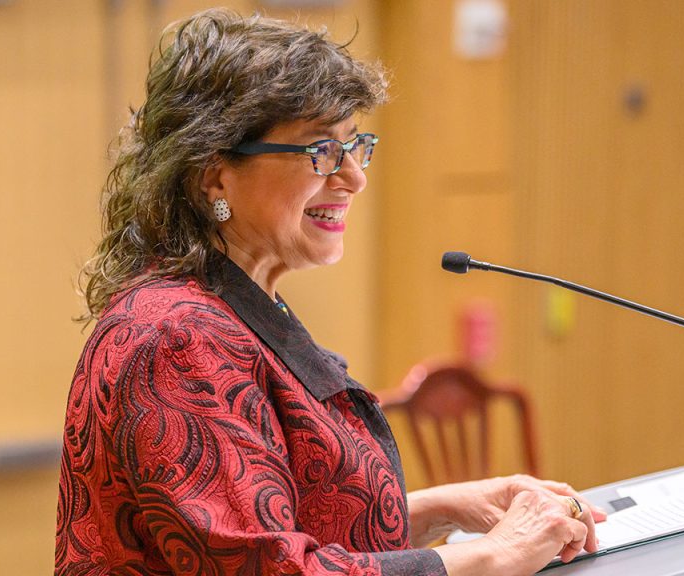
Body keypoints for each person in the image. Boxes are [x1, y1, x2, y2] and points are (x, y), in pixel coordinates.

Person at [55, 8, 604, 576]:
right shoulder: (175, 338)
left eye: (354, 145)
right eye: (319, 150)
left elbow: (276, 527)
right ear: (213, 174)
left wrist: (444, 508)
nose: (353, 177)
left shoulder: (232, 306)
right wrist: (499, 554)